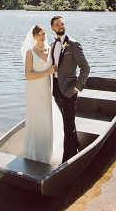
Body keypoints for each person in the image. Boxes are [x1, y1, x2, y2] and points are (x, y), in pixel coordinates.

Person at [50, 15, 90, 163]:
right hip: (56, 90)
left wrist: (76, 88)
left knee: (68, 125)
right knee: (66, 122)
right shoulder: (53, 44)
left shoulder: (73, 44)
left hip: (69, 91)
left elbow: (85, 68)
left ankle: (67, 159)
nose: (61, 26)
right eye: (57, 24)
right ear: (53, 28)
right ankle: (76, 146)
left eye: (62, 24)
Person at [20, 24, 57, 164]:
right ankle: (34, 155)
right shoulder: (30, 52)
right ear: (34, 37)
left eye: (44, 34)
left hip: (46, 91)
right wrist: (48, 72)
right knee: (36, 121)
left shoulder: (51, 49)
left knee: (46, 121)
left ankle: (46, 155)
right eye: (39, 35)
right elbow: (28, 75)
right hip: (33, 92)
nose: (42, 37)